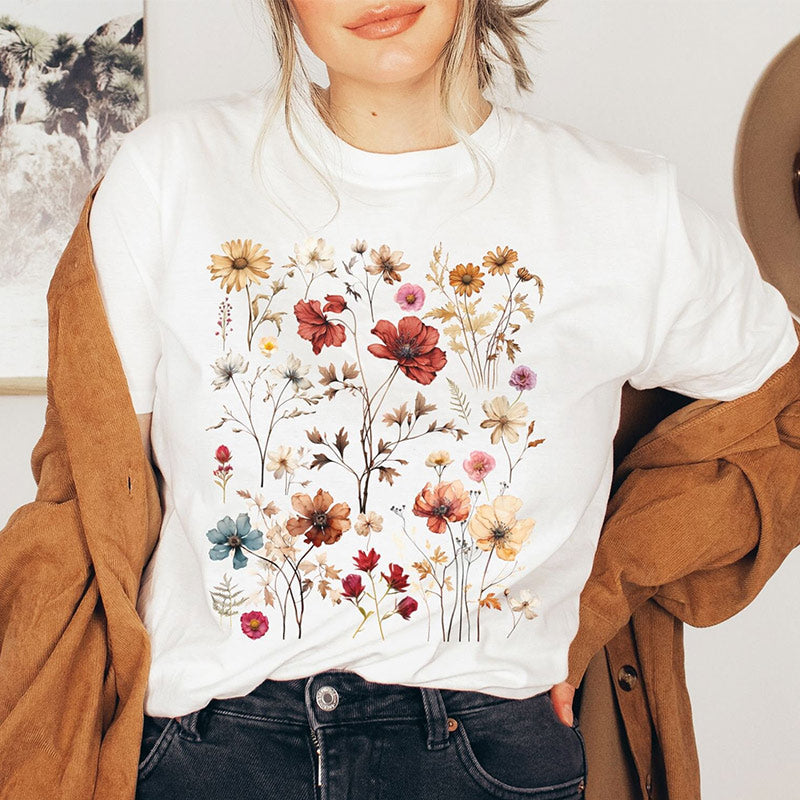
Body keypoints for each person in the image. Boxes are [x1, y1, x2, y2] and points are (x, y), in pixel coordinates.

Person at [80, 1, 798, 798]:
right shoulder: (170, 173)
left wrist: (601, 596)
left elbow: (780, 416)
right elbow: (101, 505)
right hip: (207, 754)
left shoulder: (625, 208)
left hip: (484, 755)